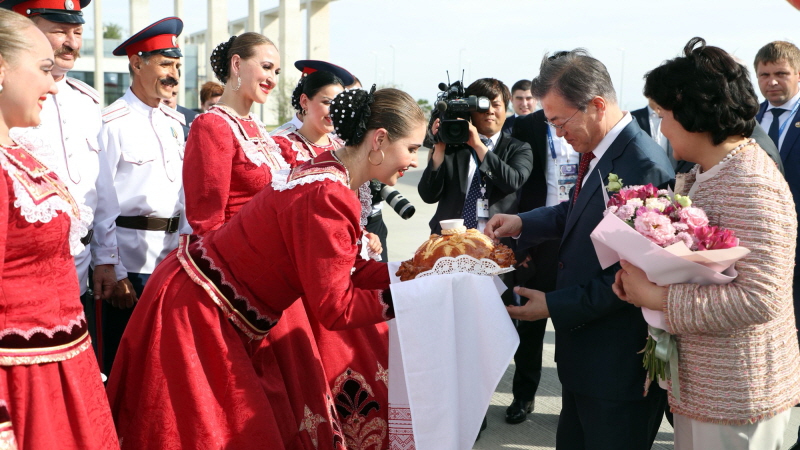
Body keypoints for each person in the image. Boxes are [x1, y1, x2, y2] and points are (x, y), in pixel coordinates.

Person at [105, 86, 425, 449]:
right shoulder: (330, 194)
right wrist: (414, 294)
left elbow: (351, 271)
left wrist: (419, 271)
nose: (414, 160)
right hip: (201, 311)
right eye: (412, 148)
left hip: (213, 305)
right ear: (379, 139)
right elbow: (337, 308)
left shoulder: (329, 176)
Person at [613, 37, 800, 450]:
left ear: (693, 113)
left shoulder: (752, 183)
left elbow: (759, 298)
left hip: (737, 392)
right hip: (706, 382)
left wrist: (659, 296)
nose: (660, 127)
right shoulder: (710, 170)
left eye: (665, 115)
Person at [484, 49, 673, 450]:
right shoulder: (602, 153)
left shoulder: (643, 166)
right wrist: (524, 221)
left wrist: (554, 306)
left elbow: (633, 278)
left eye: (558, 121)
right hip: (587, 358)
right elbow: (579, 211)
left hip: (617, 363)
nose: (556, 133)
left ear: (597, 105)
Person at [0, 8, 118, 449]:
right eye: (44, 69)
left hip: (62, 359)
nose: (53, 84)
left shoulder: (20, 152)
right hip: (23, 375)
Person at [419, 77, 532, 437]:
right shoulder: (452, 147)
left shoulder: (518, 147)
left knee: (498, 332)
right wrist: (438, 150)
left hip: (498, 255)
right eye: (484, 105)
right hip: (453, 252)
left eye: (497, 104)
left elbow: (513, 180)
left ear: (506, 108)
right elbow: (427, 193)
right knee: (459, 332)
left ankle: (515, 396)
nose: (492, 111)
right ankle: (471, 410)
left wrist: (479, 147)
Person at [98, 17, 189, 374]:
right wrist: (114, 269)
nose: (174, 75)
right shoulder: (112, 122)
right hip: (131, 266)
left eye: (177, 66)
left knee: (164, 369)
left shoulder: (175, 123)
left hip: (171, 262)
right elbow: (101, 202)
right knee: (126, 367)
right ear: (137, 63)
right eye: (165, 64)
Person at [504, 102, 579, 424]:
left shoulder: (583, 127)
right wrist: (522, 241)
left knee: (573, 323)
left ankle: (574, 402)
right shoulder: (527, 125)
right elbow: (517, 186)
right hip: (537, 234)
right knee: (530, 325)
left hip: (575, 236)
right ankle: (523, 396)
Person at [183, 32, 296, 235]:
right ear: (236, 64)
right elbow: (207, 220)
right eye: (266, 67)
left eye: (276, 72)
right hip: (234, 254)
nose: (272, 80)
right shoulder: (212, 125)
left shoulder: (256, 125)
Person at [754, 48, 800, 447]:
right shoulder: (750, 120)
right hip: (766, 258)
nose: (772, 81)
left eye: (781, 73)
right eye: (765, 73)